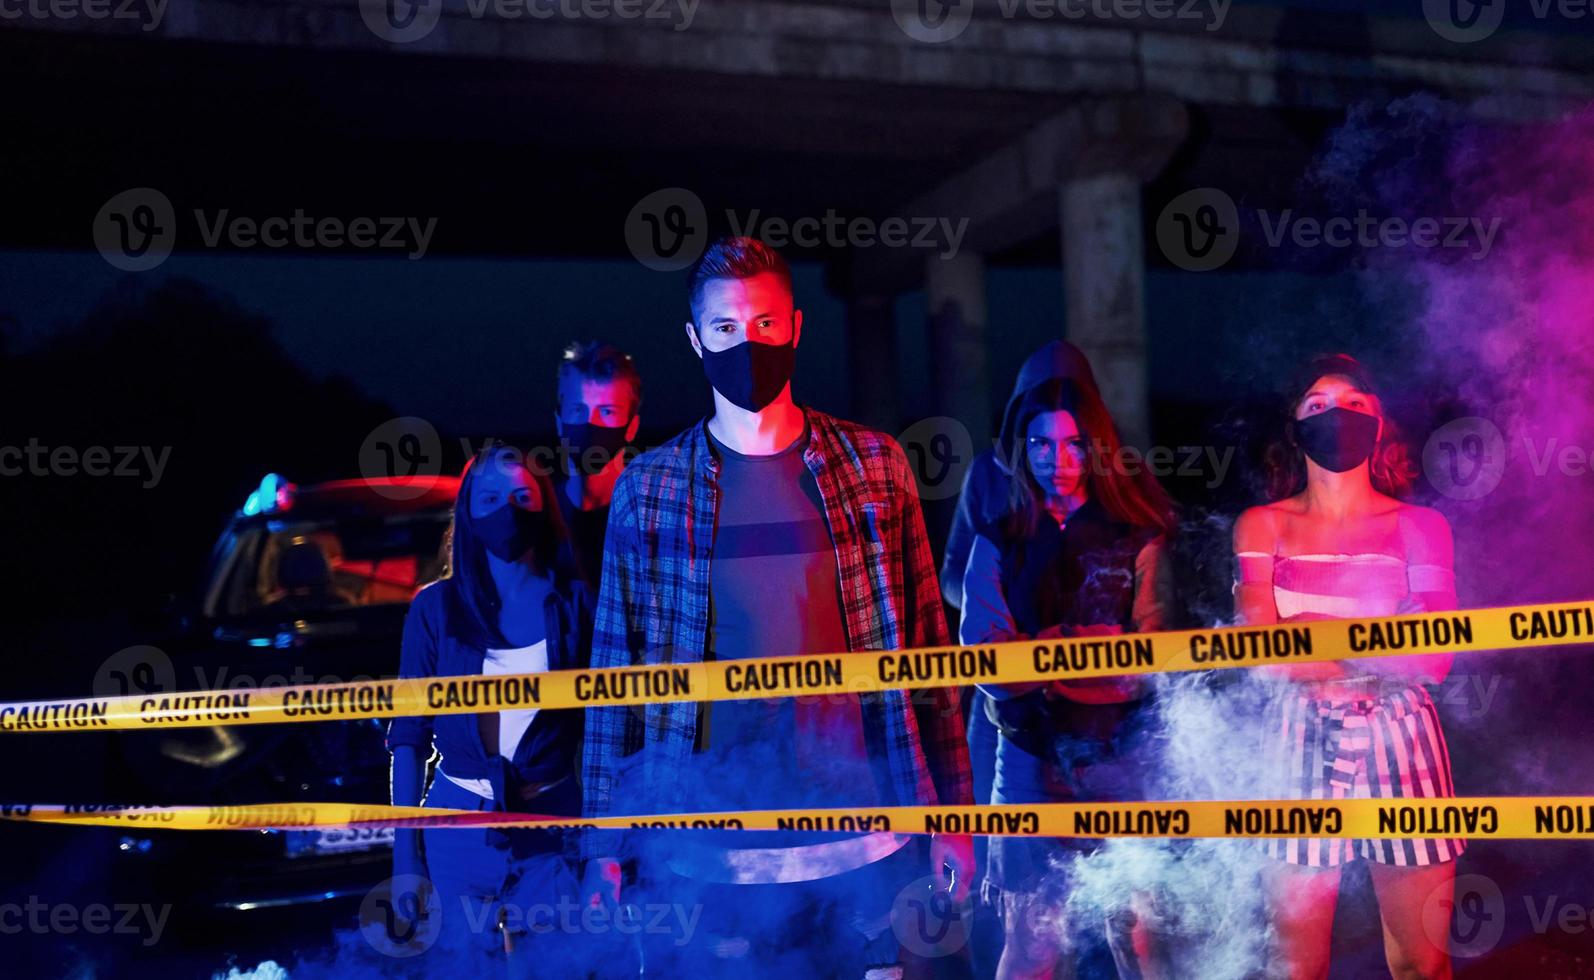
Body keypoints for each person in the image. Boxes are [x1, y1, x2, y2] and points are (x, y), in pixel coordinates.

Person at [578, 236, 973, 977]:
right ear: (696, 341)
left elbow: (930, 652)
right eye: (726, 329)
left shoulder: (874, 464)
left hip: (865, 831)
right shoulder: (651, 488)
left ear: (795, 327)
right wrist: (603, 848)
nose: (746, 344)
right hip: (707, 845)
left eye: (763, 325)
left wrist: (955, 818)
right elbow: (612, 681)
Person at [1232, 354, 1461, 980]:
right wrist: (1384, 642)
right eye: (1317, 404)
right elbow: (1264, 657)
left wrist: (1317, 635)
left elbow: (1434, 661)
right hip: (1295, 739)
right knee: (1296, 970)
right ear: (1295, 425)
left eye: (1354, 404)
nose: (1336, 414)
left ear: (1379, 423)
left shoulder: (1421, 527)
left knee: (1422, 964)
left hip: (1403, 737)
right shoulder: (1262, 525)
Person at [960, 361, 1177, 979]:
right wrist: (1074, 647)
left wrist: (1049, 655)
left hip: (1122, 758)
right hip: (1027, 758)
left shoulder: (1140, 534)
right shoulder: (996, 540)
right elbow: (987, 663)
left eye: (1074, 443)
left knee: (1138, 940)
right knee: (1031, 942)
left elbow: (1153, 656)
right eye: (1041, 443)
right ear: (1021, 450)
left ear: (1097, 447)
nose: (1058, 458)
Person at [386, 442, 595, 972]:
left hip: (552, 825)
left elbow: (607, 729)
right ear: (468, 512)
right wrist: (406, 858)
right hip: (457, 827)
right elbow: (407, 738)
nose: (508, 509)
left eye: (523, 495)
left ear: (544, 505)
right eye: (492, 496)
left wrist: (608, 845)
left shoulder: (577, 604)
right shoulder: (434, 608)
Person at [944, 340, 1104, 979]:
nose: (1056, 458)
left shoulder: (1114, 470)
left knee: (1116, 891)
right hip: (1009, 701)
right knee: (1013, 870)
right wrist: (1007, 603)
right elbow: (955, 571)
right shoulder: (991, 471)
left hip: (1100, 708)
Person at [552, 340, 642, 589]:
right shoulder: (540, 516)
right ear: (559, 422)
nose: (590, 424)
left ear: (631, 427)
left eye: (607, 412)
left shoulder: (654, 517)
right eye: (578, 410)